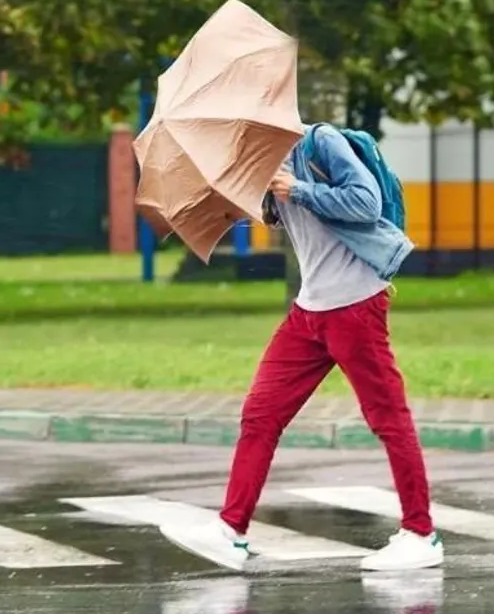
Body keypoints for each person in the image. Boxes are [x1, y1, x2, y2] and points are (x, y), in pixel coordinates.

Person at [159, 122, 443, 573]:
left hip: (355, 306)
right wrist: (249, 195)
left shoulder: (319, 142)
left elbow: (365, 202)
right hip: (309, 312)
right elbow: (280, 215)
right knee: (260, 414)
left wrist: (299, 189)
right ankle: (230, 530)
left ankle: (421, 534)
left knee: (387, 417)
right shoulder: (263, 160)